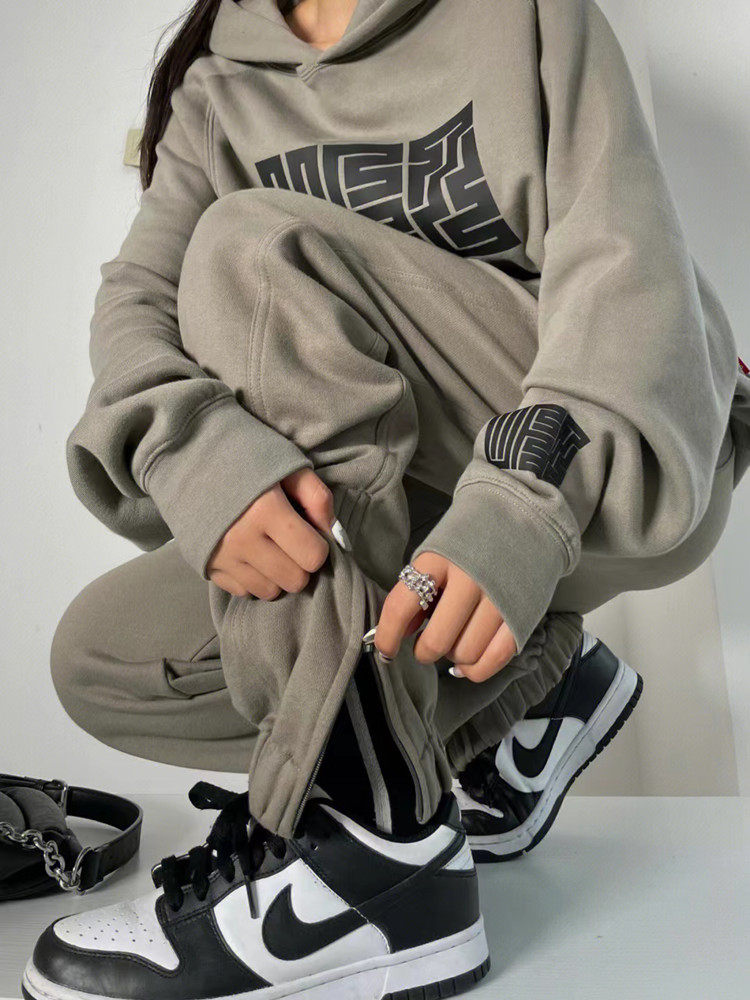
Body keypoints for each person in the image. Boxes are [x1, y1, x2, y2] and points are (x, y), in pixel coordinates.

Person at [23, 2, 750, 999]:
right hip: (418, 514)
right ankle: (533, 688)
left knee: (248, 245)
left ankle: (371, 844)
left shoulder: (524, 14)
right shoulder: (218, 84)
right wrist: (202, 457)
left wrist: (517, 506)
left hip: (608, 453)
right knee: (105, 659)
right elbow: (135, 306)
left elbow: (626, 273)